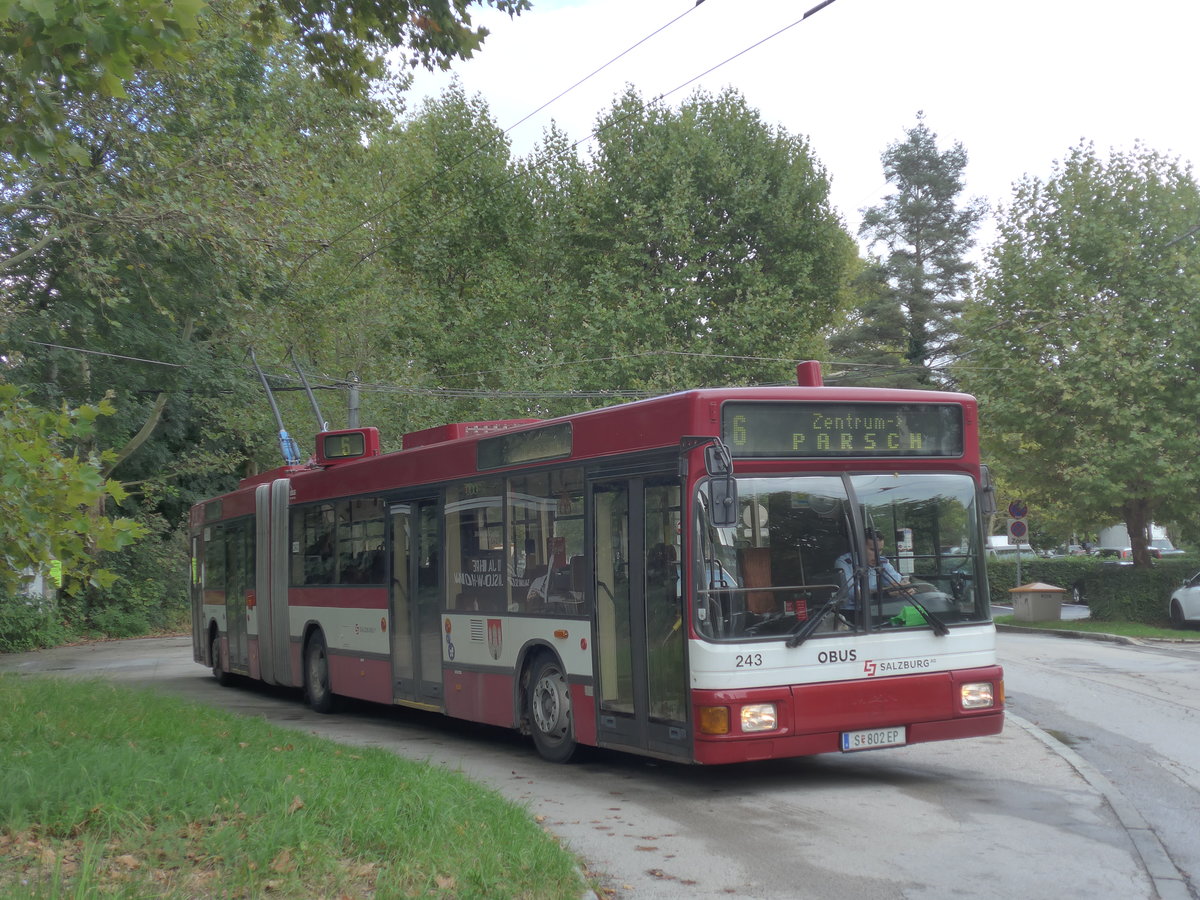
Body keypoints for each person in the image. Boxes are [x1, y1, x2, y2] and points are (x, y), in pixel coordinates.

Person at [834, 528, 912, 606]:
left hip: (878, 609)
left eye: (880, 550)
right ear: (859, 548)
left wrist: (905, 587)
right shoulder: (844, 563)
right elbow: (855, 594)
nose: (877, 555)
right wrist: (887, 592)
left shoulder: (882, 562)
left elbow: (898, 583)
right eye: (873, 550)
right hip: (854, 613)